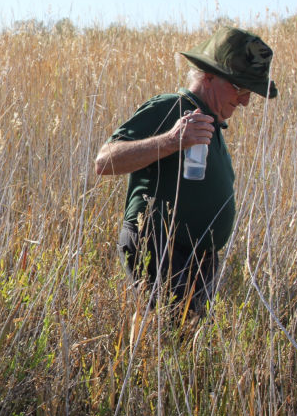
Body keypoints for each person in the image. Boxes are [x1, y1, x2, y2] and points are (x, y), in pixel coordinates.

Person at [94, 26, 277, 312]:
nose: (245, 100)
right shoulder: (172, 107)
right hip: (160, 248)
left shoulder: (209, 122)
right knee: (167, 344)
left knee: (185, 346)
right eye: (240, 87)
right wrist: (171, 141)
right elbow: (105, 161)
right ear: (210, 75)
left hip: (195, 259)